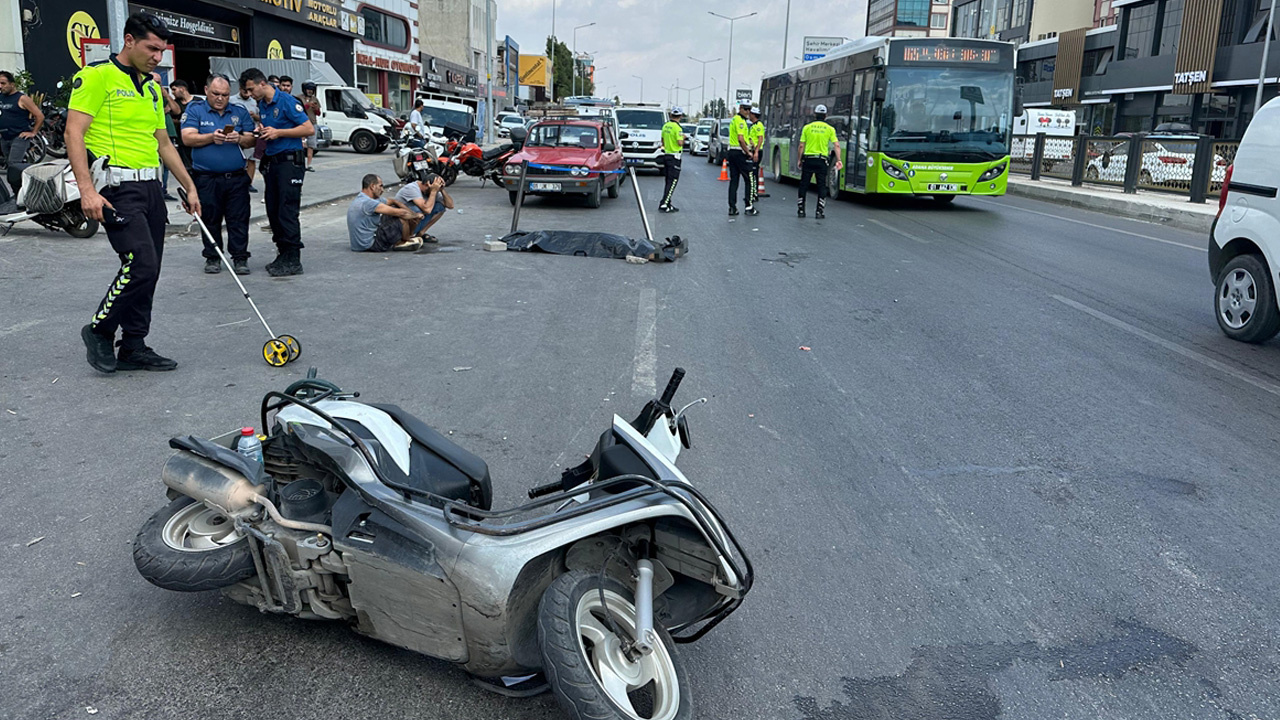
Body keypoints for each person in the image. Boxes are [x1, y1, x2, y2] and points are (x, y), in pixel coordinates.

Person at [68, 11, 200, 374]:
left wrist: (189, 186)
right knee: (139, 264)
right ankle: (99, 330)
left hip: (151, 188)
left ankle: (134, 344)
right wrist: (87, 191)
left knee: (151, 269)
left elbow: (164, 143)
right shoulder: (97, 77)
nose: (158, 57)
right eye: (152, 48)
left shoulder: (153, 89)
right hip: (116, 187)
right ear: (129, 41)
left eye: (162, 51)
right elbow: (73, 134)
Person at [240, 67, 313, 276]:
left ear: (262, 83)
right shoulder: (262, 105)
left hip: (290, 162)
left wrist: (279, 132)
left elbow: (308, 129)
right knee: (273, 211)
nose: (249, 94)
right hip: (273, 162)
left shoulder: (287, 101)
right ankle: (282, 253)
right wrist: (263, 132)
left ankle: (293, 258)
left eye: (251, 89)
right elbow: (271, 130)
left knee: (286, 210)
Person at [181, 73, 256, 275]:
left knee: (239, 219)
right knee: (210, 219)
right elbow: (187, 138)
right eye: (216, 94)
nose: (220, 98)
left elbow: (251, 139)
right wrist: (210, 137)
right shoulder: (195, 110)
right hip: (206, 178)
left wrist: (239, 138)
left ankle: (240, 257)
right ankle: (213, 257)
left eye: (224, 94)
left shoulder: (239, 112)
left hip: (236, 177)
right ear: (206, 91)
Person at [348, 174, 424, 253]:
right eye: (380, 186)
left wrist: (409, 212)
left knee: (394, 209)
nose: (382, 190)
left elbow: (393, 201)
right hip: (371, 245)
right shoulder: (368, 203)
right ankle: (404, 242)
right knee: (401, 217)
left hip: (358, 245)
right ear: (372, 186)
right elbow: (402, 214)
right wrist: (416, 215)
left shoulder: (362, 198)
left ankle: (407, 237)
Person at [0, 70, 44, 202]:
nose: (1, 86)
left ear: (12, 84)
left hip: (19, 137)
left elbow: (40, 116)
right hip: (4, 137)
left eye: (3, 83)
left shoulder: (22, 98)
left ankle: (22, 195)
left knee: (14, 166)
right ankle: (19, 194)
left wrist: (33, 132)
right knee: (10, 166)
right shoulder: (1, 97)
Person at [796, 103, 842, 220]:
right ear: (825, 116)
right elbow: (836, 145)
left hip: (808, 160)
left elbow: (801, 145)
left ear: (815, 115)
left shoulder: (807, 127)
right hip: (822, 161)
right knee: (821, 186)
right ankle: (819, 211)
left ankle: (801, 209)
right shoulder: (830, 129)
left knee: (804, 184)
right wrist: (838, 160)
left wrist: (799, 159)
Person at [395, 171, 453, 242]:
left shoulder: (432, 189)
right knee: (417, 211)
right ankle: (408, 236)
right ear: (426, 185)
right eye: (434, 189)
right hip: (400, 225)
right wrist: (433, 191)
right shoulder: (412, 188)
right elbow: (427, 210)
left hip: (415, 222)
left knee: (440, 207)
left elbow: (450, 205)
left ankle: (420, 233)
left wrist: (442, 190)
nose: (436, 192)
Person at [228, 83, 260, 192]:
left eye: (249, 91)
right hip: (235, 133)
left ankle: (249, 183)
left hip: (250, 133)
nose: (248, 93)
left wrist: (255, 116)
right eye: (245, 90)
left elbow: (260, 118)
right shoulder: (231, 100)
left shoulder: (254, 101)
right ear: (240, 89)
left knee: (251, 159)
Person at [726, 101, 756, 216]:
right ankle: (749, 206)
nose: (748, 112)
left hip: (732, 152)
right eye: (746, 109)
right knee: (750, 179)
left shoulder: (735, 119)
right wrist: (748, 152)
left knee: (734, 180)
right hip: (740, 153)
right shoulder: (740, 121)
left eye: (749, 109)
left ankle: (732, 207)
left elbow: (743, 138)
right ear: (740, 108)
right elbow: (740, 138)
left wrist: (751, 142)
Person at [658, 107, 685, 213]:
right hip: (675, 156)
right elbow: (680, 143)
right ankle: (665, 203)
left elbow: (662, 141)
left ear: (671, 115)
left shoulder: (666, 126)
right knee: (673, 181)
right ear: (681, 116)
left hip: (667, 154)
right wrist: (684, 138)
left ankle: (667, 202)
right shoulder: (677, 128)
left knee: (668, 180)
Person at [300, 82, 321, 171]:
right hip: (302, 123)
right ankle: (301, 164)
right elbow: (298, 109)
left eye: (312, 90)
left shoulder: (315, 99)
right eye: (308, 90)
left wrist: (316, 108)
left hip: (312, 123)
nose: (310, 91)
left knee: (311, 145)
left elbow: (318, 113)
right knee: (301, 144)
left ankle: (309, 165)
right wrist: (307, 105)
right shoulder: (299, 98)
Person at [747, 106, 765, 207]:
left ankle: (754, 194)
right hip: (753, 150)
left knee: (754, 173)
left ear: (753, 115)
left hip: (756, 151)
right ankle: (753, 193)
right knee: (752, 173)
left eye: (750, 114)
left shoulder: (758, 125)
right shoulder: (753, 125)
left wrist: (756, 152)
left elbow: (760, 139)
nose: (749, 115)